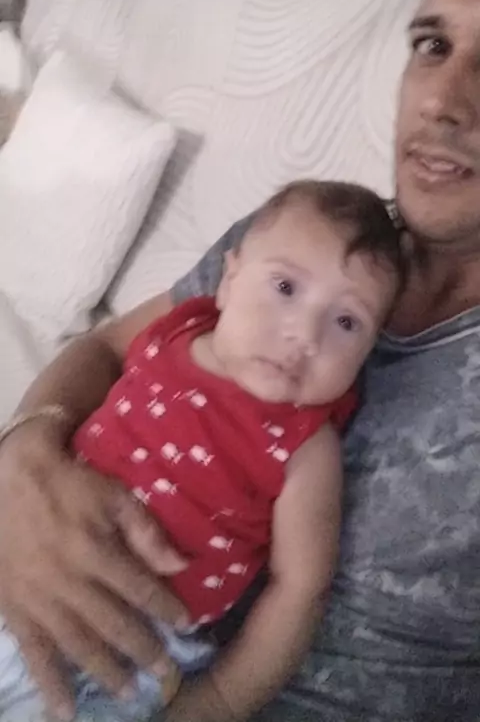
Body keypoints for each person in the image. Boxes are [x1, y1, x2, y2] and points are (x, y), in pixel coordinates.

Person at [1, 0, 480, 722]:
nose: (442, 101)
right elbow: (110, 348)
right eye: (432, 44)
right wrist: (25, 460)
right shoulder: (311, 240)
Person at [0, 181, 403, 722]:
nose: (305, 335)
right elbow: (101, 349)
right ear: (229, 278)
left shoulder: (307, 448)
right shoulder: (176, 330)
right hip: (28, 542)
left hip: (128, 648)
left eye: (347, 322)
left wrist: (221, 700)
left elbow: (298, 591)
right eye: (285, 287)